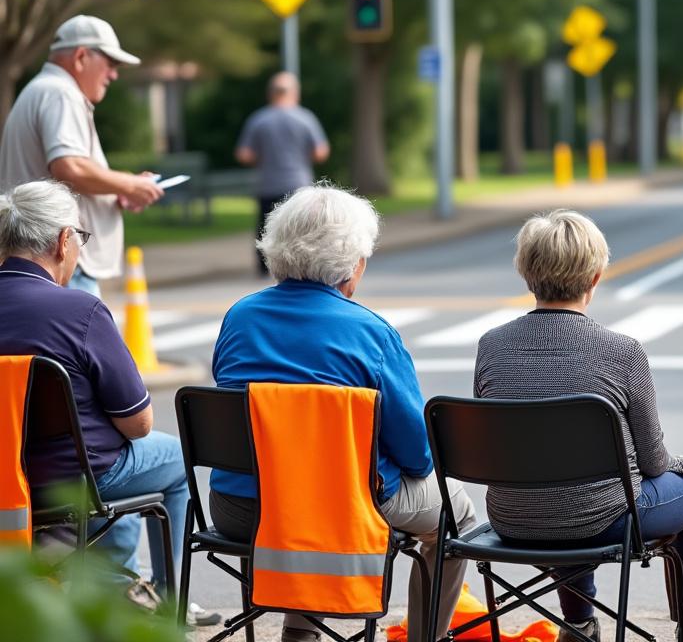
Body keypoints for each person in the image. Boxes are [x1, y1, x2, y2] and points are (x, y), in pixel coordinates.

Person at [209, 184, 475, 642]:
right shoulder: (371, 334)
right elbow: (417, 456)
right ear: (354, 266)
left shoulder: (239, 318)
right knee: (460, 515)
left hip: (241, 506)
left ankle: (301, 630)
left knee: (299, 487)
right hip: (338, 512)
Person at [474, 210, 683, 642]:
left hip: (512, 517)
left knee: (558, 476)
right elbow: (654, 463)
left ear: (527, 274)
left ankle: (579, 623)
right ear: (596, 277)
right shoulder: (622, 352)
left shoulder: (490, 346)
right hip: (605, 522)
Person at [0, 181, 214, 623]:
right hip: (69, 478)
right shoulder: (81, 311)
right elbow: (137, 423)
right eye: (80, 237)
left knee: (108, 453)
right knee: (168, 454)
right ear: (63, 241)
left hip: (9, 479)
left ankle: (117, 585)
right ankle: (165, 601)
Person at [0, 15, 163, 298]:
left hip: (38, 258)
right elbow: (69, 167)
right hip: (60, 260)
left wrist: (117, 190)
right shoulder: (61, 93)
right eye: (111, 64)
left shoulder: (43, 90)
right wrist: (130, 185)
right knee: (81, 339)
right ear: (81, 56)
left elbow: (66, 171)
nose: (113, 74)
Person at [235, 71, 329, 275]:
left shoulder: (259, 120)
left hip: (268, 183)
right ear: (295, 93)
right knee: (302, 229)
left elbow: (244, 154)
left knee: (266, 227)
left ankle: (264, 268)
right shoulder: (305, 118)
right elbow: (321, 152)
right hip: (298, 183)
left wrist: (263, 156)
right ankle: (303, 267)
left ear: (271, 94)